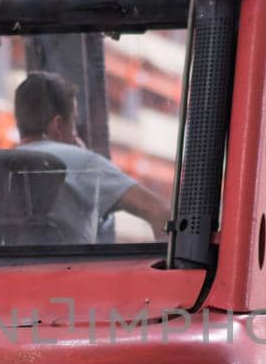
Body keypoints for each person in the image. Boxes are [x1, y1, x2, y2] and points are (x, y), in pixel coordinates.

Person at [13, 71, 171, 243]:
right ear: (58, 124)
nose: (75, 134)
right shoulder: (79, 162)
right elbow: (161, 213)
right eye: (73, 122)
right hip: (71, 269)